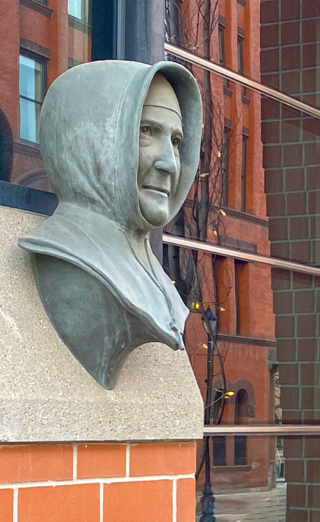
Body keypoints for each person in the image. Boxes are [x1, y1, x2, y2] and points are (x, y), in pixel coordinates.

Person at [18, 61, 201, 389]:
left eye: (175, 141)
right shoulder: (68, 256)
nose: (170, 163)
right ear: (86, 138)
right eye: (147, 131)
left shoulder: (157, 281)